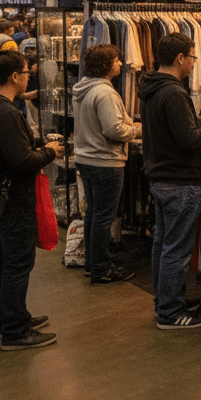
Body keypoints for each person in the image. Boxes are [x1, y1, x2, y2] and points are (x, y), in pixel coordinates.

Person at [0, 50, 64, 350]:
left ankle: (11, 318)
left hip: (1, 198)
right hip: (13, 200)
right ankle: (14, 331)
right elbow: (21, 160)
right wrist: (50, 152)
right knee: (17, 263)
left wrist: (39, 145)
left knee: (6, 261)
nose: (28, 77)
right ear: (14, 76)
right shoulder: (6, 113)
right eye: (26, 73)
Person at [139, 33, 201, 329]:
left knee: (164, 246)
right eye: (193, 57)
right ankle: (170, 312)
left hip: (161, 178)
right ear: (180, 58)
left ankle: (168, 301)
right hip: (178, 181)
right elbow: (188, 139)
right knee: (176, 250)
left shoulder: (152, 88)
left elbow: (175, 128)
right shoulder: (175, 92)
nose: (194, 63)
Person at [73, 44, 141, 284]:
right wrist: (136, 131)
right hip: (105, 161)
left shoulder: (84, 89)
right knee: (102, 217)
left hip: (86, 159)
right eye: (116, 60)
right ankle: (102, 268)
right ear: (105, 64)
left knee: (93, 214)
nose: (121, 64)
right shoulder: (105, 92)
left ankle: (93, 264)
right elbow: (113, 129)